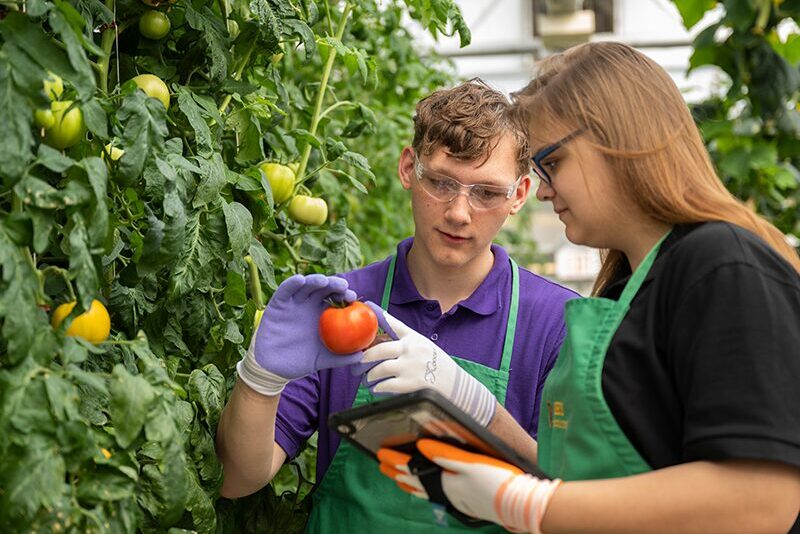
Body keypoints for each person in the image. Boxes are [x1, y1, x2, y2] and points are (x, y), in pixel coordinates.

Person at [376, 42, 800, 533]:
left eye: (551, 163)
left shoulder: (721, 265)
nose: (546, 189)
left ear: (617, 140)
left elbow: (762, 498)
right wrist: (482, 417)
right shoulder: (623, 291)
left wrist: (526, 503)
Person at [215, 79, 578, 531]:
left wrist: (476, 407)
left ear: (519, 195)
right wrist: (259, 379)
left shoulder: (556, 325)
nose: (459, 213)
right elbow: (238, 478)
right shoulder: (343, 307)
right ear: (409, 168)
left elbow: (576, 498)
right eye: (442, 183)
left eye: (486, 193)